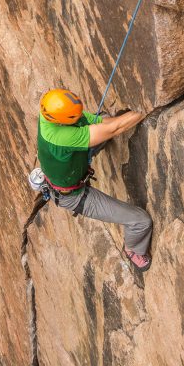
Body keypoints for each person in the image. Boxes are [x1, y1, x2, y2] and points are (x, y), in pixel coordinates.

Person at [37, 88, 153, 271]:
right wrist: (149, 104)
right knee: (141, 222)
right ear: (61, 121)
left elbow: (97, 121)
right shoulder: (59, 137)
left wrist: (102, 123)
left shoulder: (50, 111)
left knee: (105, 118)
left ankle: (94, 138)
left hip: (70, 169)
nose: (79, 115)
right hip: (74, 195)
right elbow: (115, 128)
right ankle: (133, 250)